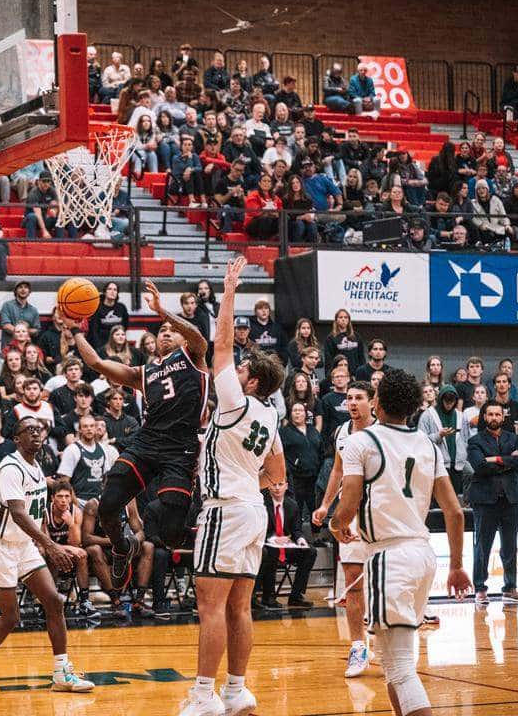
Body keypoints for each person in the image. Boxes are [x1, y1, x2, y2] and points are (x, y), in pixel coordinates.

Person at [333, 369, 471, 716]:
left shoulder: (360, 442)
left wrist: (337, 525)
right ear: (412, 409)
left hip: (388, 557)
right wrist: (455, 566)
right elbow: (455, 513)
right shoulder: (427, 444)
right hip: (424, 555)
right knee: (396, 665)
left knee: (400, 669)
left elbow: (347, 505)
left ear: (376, 403)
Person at [180, 256, 285, 716]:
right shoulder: (270, 414)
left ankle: (203, 695)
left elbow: (220, 343)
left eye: (243, 370)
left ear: (253, 381)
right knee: (240, 606)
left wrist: (228, 290)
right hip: (253, 510)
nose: (235, 370)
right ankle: (236, 689)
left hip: (225, 509)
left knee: (211, 606)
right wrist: (254, 480)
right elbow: (278, 473)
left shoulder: (236, 402)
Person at [62, 280, 208, 588]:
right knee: (108, 505)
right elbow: (97, 363)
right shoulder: (145, 372)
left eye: (171, 329)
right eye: (161, 329)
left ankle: (158, 522)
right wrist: (75, 329)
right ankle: (121, 547)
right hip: (147, 442)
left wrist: (161, 310)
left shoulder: (193, 357)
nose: (165, 331)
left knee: (169, 531)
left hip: (180, 448)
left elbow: (198, 336)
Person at [0, 417, 94, 693]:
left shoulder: (36, 468)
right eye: (28, 430)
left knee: (54, 601)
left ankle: (61, 672)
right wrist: (52, 545)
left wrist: (46, 543)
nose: (35, 433)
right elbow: (18, 513)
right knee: (11, 617)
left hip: (23, 545)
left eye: (39, 430)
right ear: (17, 438)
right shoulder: (10, 467)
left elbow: (34, 514)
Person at [311, 380, 377, 677]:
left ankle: (388, 640)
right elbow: (337, 471)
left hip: (379, 516)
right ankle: (358, 646)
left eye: (359, 398)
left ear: (372, 402)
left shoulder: (383, 432)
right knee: (353, 581)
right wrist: (326, 506)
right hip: (348, 514)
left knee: (384, 582)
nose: (352, 403)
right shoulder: (341, 432)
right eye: (349, 398)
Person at [466, 401, 518, 605]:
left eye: (497, 415)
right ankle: (480, 589)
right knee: (482, 547)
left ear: (503, 417)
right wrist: (508, 459)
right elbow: (480, 466)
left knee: (510, 547)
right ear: (484, 417)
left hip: (509, 499)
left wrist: (495, 459)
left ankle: (510, 588)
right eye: (490, 414)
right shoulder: (475, 441)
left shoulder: (514, 438)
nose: (494, 418)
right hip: (484, 500)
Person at [257, 476, 316, 610]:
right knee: (271, 550)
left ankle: (296, 596)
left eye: (280, 484)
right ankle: (268, 596)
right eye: (274, 484)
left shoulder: (292, 505)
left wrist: (301, 540)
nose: (277, 488)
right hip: (267, 545)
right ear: (268, 486)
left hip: (286, 546)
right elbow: (258, 530)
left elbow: (296, 529)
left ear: (286, 486)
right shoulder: (262, 504)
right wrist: (273, 539)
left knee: (310, 552)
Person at [43, 482, 96, 619]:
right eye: (60, 496)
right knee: (50, 554)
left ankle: (84, 600)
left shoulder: (76, 512)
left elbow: (76, 543)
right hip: (48, 550)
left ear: (71, 497)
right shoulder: (45, 512)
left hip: (67, 550)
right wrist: (63, 548)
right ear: (52, 498)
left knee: (82, 555)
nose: (63, 500)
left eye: (67, 496)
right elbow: (45, 543)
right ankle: (49, 601)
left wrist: (71, 525)